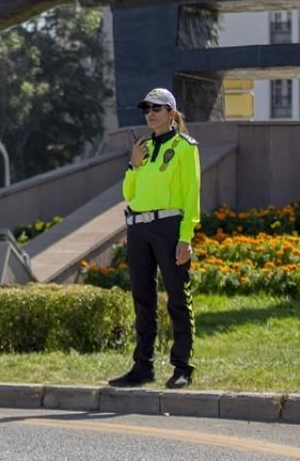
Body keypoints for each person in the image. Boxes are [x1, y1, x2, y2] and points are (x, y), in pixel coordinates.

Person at [112, 88, 200, 390]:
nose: (150, 113)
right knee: (142, 299)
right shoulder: (142, 148)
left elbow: (191, 196)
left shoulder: (185, 147)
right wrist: (133, 165)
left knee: (178, 296)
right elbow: (129, 194)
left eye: (157, 108)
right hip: (138, 228)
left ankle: (182, 367)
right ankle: (143, 366)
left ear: (172, 113)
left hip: (168, 227)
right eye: (147, 108)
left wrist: (185, 238)